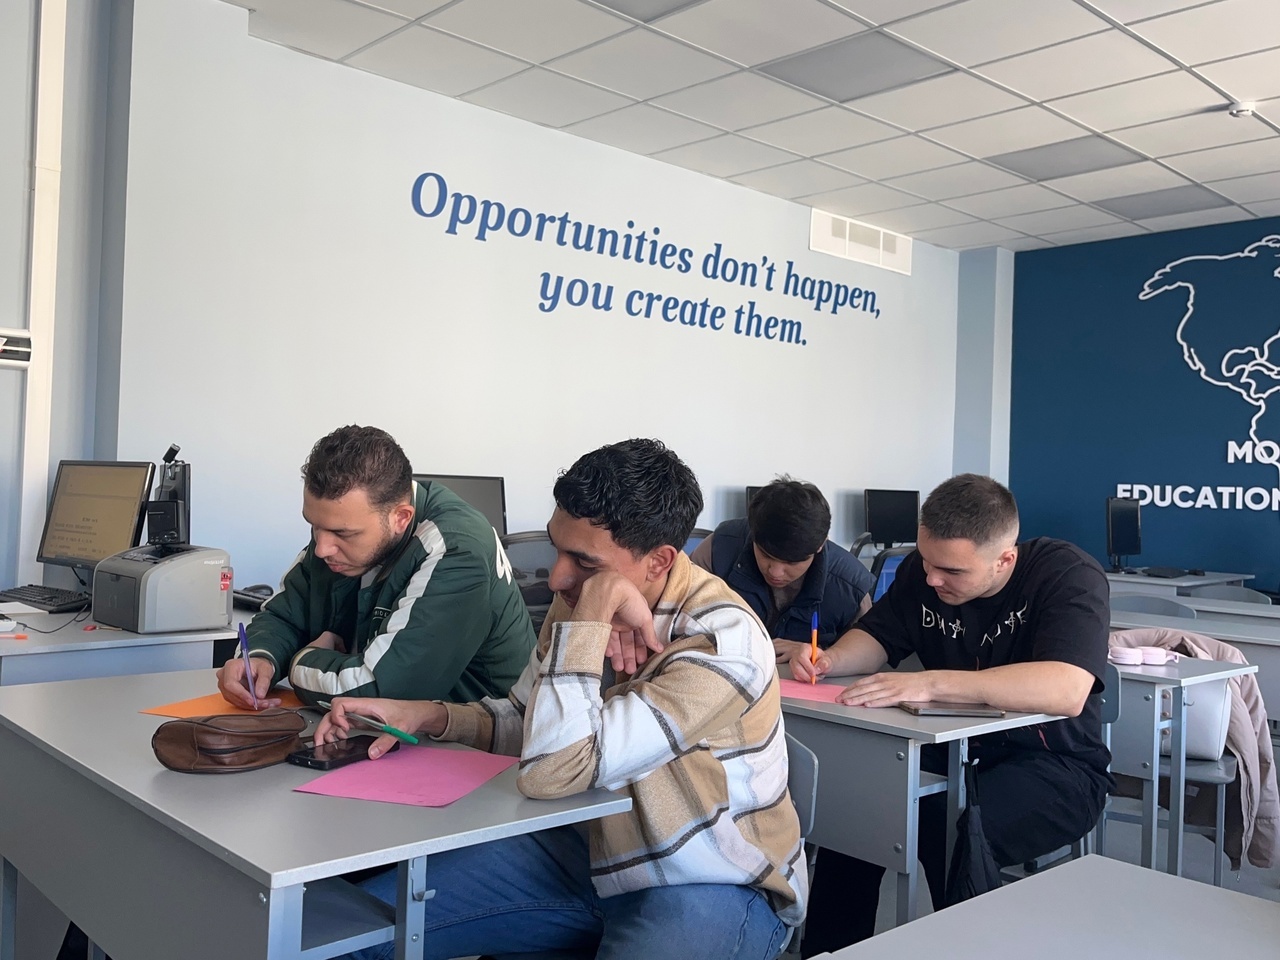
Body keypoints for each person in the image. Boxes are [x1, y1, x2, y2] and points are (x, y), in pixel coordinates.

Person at [318, 439, 807, 960]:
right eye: (557, 548)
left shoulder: (720, 640)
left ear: (659, 561)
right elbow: (529, 722)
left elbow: (551, 770)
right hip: (584, 851)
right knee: (346, 940)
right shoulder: (576, 597)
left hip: (707, 876)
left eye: (585, 563)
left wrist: (591, 614)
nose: (557, 578)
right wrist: (429, 716)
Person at [786, 473, 1112, 954]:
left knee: (950, 826)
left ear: (1005, 559)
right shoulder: (924, 572)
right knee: (861, 804)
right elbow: (877, 637)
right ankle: (830, 949)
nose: (931, 579)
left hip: (1057, 765)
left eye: (951, 571)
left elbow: (1066, 689)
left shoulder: (1066, 575)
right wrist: (831, 660)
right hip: (951, 748)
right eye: (927, 562)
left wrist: (932, 682)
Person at [215, 424, 535, 708]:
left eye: (342, 533)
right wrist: (259, 657)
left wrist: (302, 660)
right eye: (314, 525)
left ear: (400, 518)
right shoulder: (344, 530)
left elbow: (382, 690)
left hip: (473, 742)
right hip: (377, 733)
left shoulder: (458, 550)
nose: (322, 548)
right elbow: (286, 615)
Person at [691, 477, 875, 662]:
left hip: (804, 678)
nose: (775, 572)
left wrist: (819, 653)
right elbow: (678, 617)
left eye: (792, 562)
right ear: (752, 532)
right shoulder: (717, 550)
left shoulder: (852, 589)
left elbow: (867, 654)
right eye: (765, 555)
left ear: (821, 544)